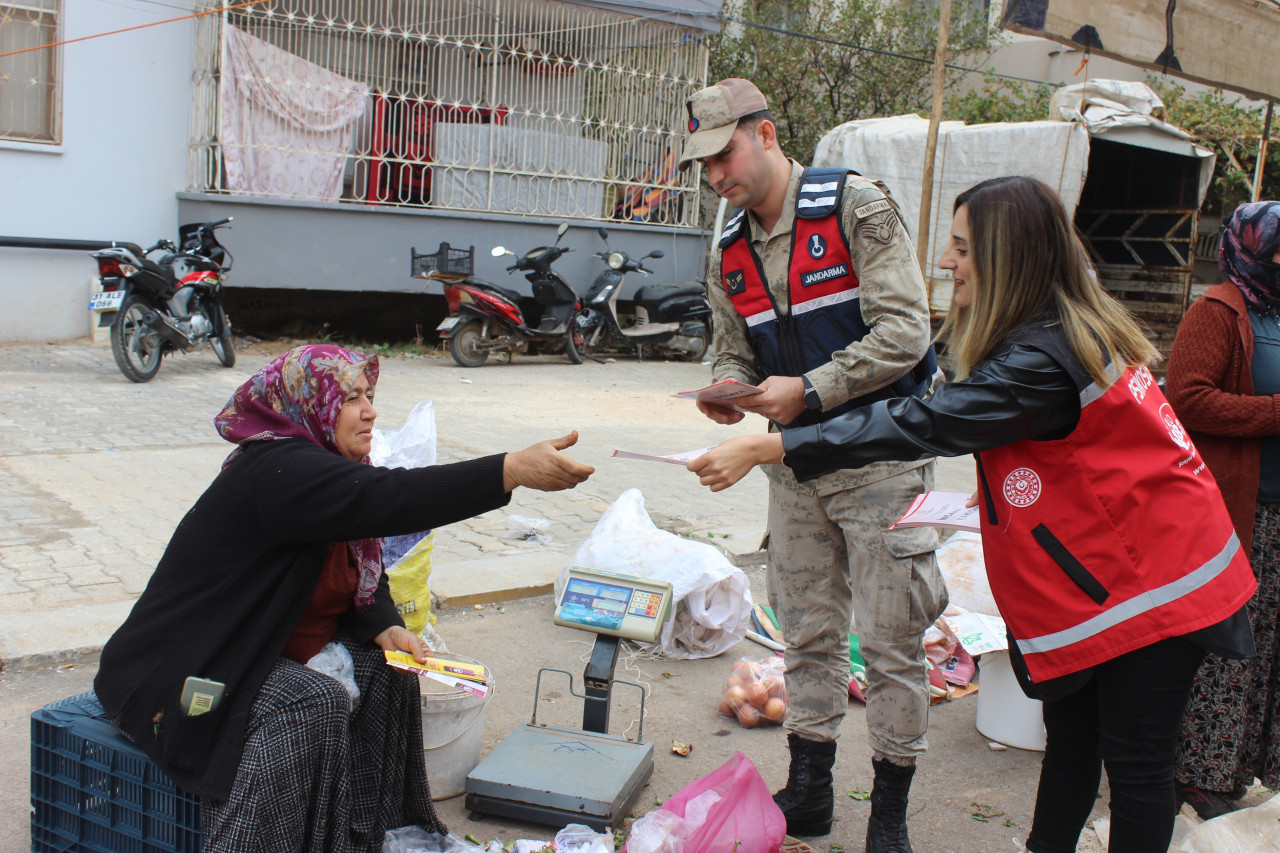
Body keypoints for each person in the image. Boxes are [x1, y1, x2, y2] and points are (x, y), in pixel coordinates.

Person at [688, 176, 1258, 853]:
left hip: (1155, 587)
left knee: (1135, 766)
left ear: (1005, 254)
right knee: (1073, 745)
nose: (948, 263)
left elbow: (922, 421)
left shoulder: (1043, 358)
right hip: (1116, 576)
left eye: (961, 247)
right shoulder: (1045, 335)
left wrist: (775, 443)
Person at [94, 345, 594, 853]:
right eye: (351, 397)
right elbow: (384, 498)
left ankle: (368, 834)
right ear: (308, 403)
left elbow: (357, 573)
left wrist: (385, 626)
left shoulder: (323, 469)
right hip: (190, 669)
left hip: (268, 648)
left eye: (369, 396)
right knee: (311, 701)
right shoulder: (277, 470)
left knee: (391, 669)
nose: (370, 410)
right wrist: (505, 471)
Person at [679, 77, 946, 849]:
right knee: (807, 636)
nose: (716, 177)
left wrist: (812, 389)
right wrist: (728, 388)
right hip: (793, 476)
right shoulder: (728, 246)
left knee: (892, 642)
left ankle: (889, 813)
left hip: (879, 462)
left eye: (723, 155)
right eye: (703, 165)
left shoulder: (855, 207)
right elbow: (733, 343)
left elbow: (906, 334)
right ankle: (810, 789)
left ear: (764, 134)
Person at [1167, 201, 1280, 819]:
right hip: (1243, 509)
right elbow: (1188, 400)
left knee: (1273, 644)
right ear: (1253, 249)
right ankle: (1202, 772)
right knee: (1234, 643)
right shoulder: (1218, 312)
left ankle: (1250, 765)